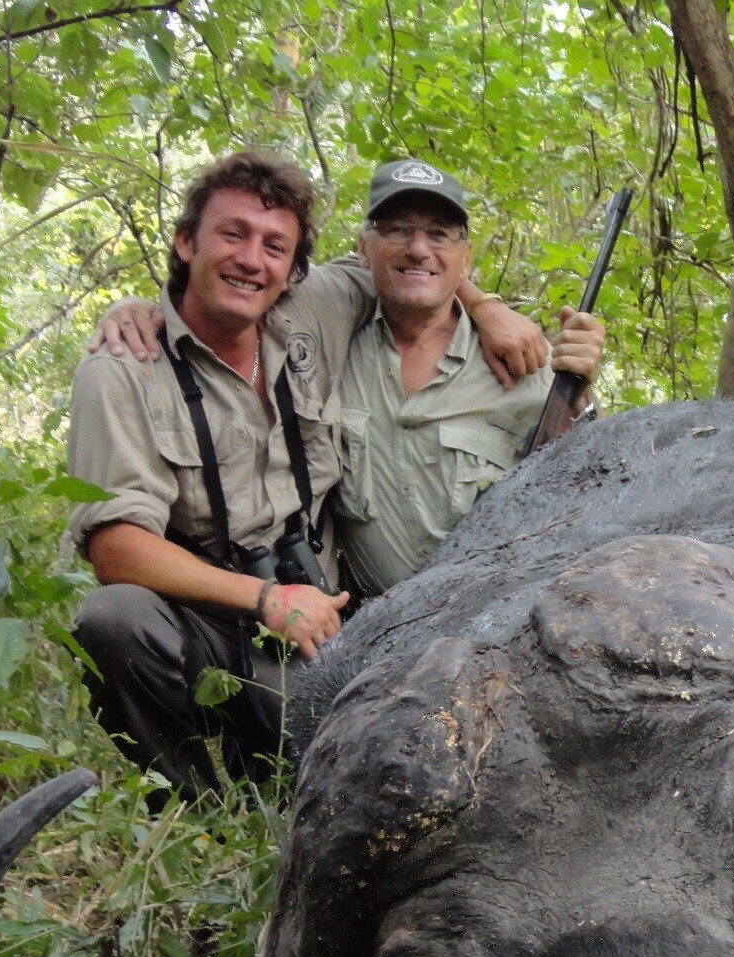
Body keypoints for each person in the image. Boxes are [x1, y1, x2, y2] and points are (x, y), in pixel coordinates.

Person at [66, 151, 547, 798]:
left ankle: (271, 765)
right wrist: (265, 600)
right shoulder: (122, 368)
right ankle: (189, 806)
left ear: (295, 269)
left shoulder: (312, 310)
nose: (251, 260)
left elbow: (412, 264)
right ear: (186, 242)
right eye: (231, 234)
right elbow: (115, 547)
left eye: (275, 247)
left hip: (321, 615)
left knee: (344, 769)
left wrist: (488, 307)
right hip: (211, 606)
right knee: (113, 618)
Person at [89, 157, 606, 603]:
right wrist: (144, 308)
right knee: (120, 621)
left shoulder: (523, 366)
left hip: (486, 620)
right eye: (398, 230)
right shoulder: (332, 331)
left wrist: (562, 380)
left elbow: (583, 494)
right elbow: (232, 289)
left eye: (440, 235)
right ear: (364, 249)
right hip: (355, 629)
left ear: (466, 258)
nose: (418, 249)